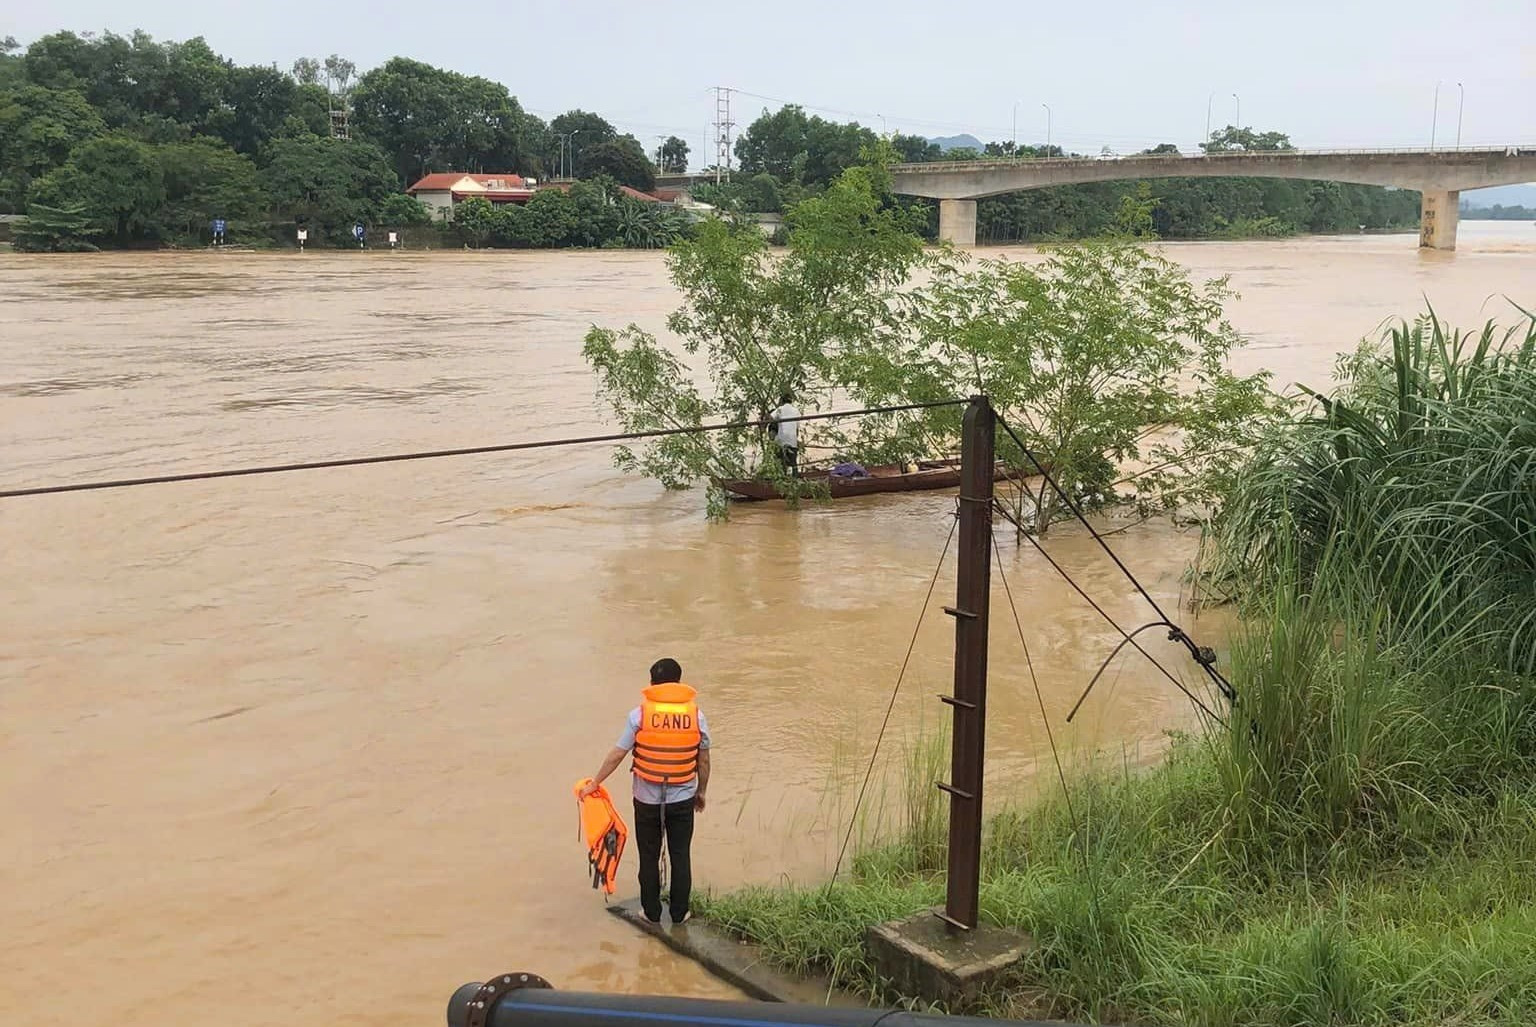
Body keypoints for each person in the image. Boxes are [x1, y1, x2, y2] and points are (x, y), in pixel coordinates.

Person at [580, 658, 710, 924]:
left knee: (649, 856)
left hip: (647, 801)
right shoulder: (696, 715)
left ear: (652, 683)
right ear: (679, 682)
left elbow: (618, 753)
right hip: (683, 799)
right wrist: (701, 792)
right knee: (680, 855)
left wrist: (596, 782)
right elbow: (704, 759)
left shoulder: (639, 714)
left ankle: (650, 913)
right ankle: (679, 913)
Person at [768, 392, 800, 476]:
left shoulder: (780, 409)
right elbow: (797, 429)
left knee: (780, 462)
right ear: (791, 401)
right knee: (793, 463)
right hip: (793, 441)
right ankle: (795, 477)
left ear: (782, 401)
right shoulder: (796, 410)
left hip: (782, 440)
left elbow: (770, 418)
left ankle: (781, 477)